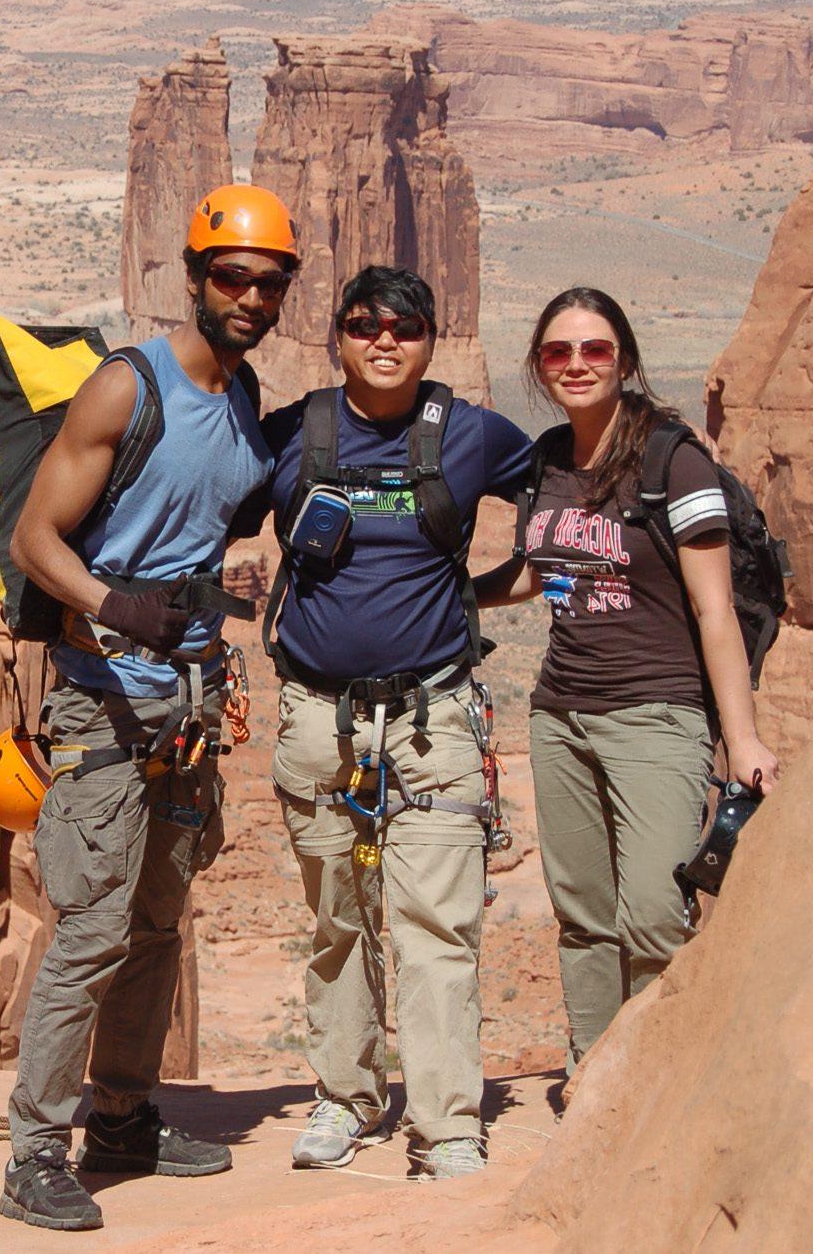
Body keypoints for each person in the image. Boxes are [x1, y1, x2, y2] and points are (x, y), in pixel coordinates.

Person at [0, 185, 296, 1233]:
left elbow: (200, 528)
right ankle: (34, 1149)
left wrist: (230, 587)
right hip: (100, 706)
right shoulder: (128, 389)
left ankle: (121, 1113)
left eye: (268, 282)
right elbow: (39, 534)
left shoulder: (247, 400)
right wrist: (112, 603)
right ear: (194, 274)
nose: (249, 297)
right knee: (87, 930)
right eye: (231, 277)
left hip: (188, 704)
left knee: (158, 923)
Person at [249, 265, 535, 1179]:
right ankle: (346, 1098)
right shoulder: (297, 432)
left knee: (435, 926)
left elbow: (568, 490)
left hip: (433, 718)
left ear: (431, 340)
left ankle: (448, 1120)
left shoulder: (474, 434)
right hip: (316, 720)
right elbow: (200, 503)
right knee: (338, 919)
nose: (384, 339)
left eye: (405, 327)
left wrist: (482, 594)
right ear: (337, 334)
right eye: (365, 323)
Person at [475, 286, 779, 1076]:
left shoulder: (671, 459)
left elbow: (715, 611)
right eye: (558, 352)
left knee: (652, 913)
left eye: (595, 349)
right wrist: (450, 593)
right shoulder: (546, 459)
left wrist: (741, 738)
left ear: (626, 359)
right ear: (539, 367)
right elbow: (546, 570)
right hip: (560, 716)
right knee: (583, 917)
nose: (577, 364)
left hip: (656, 714)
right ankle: (594, 1071)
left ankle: (657, 1079)